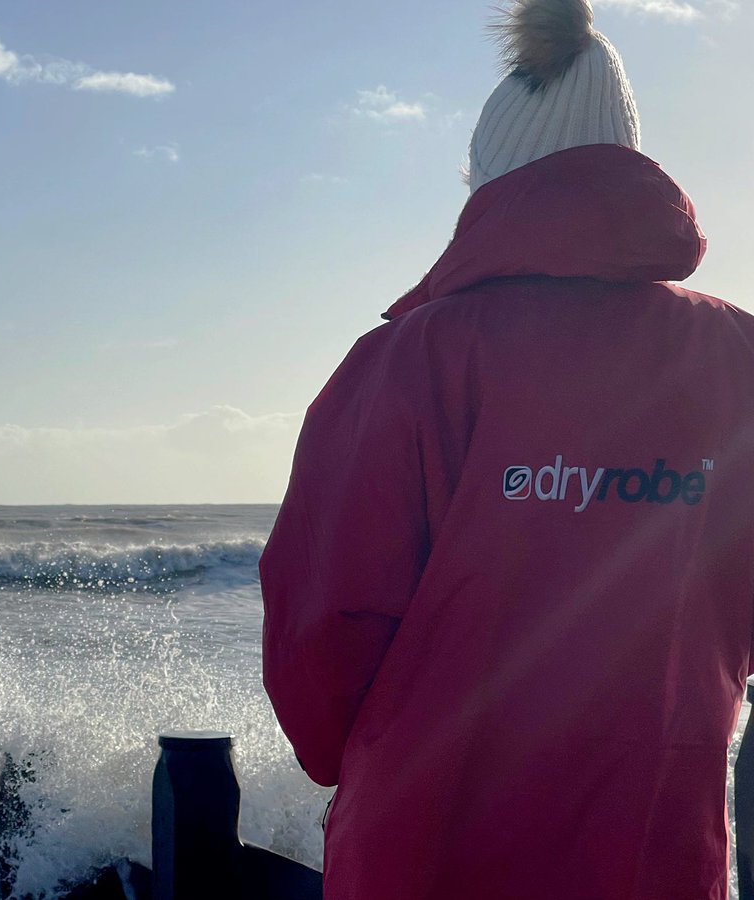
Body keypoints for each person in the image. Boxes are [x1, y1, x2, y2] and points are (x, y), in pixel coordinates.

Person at [259, 1, 754, 897]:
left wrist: (359, 750)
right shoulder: (741, 359)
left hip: (426, 849)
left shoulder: (410, 360)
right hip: (657, 850)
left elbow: (323, 630)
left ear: (491, 185)